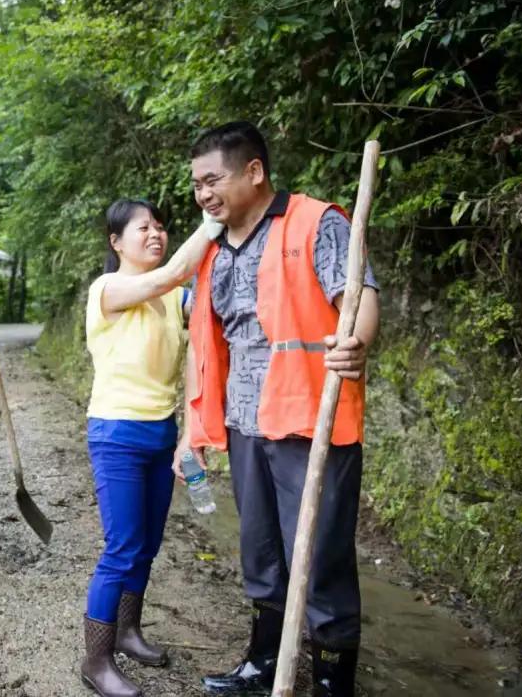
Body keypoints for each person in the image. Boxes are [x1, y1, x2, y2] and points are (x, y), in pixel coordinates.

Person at [180, 121, 379, 697]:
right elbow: (202, 341)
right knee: (261, 550)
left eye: (212, 180)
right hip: (245, 423)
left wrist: (356, 342)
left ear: (254, 171)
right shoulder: (213, 249)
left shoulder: (315, 222)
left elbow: (359, 295)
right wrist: (192, 428)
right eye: (196, 185)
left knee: (319, 555)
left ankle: (332, 682)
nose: (203, 194)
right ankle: (263, 664)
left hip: (310, 422)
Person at [81, 198, 223, 696]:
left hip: (161, 435)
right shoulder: (109, 289)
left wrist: (189, 435)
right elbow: (172, 275)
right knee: (121, 547)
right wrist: (213, 223)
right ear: (116, 242)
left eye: (160, 226)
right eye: (144, 228)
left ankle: (127, 631)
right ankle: (96, 660)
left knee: (147, 545)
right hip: (116, 434)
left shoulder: (175, 298)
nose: (156, 234)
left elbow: (201, 328)